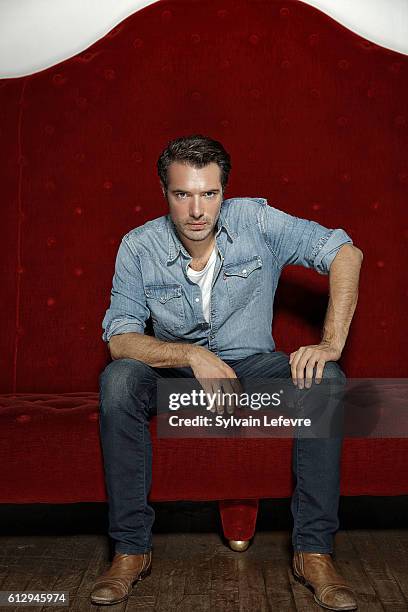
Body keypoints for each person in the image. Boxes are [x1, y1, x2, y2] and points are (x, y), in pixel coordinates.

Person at [90, 134, 363, 610]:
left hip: (254, 366)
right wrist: (192, 356)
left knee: (327, 382)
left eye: (209, 194)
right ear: (165, 193)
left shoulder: (257, 220)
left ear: (224, 192)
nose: (197, 210)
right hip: (176, 374)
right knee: (118, 382)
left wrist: (331, 343)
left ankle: (313, 551)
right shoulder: (138, 246)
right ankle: (131, 550)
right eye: (183, 194)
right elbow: (120, 340)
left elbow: (345, 252)